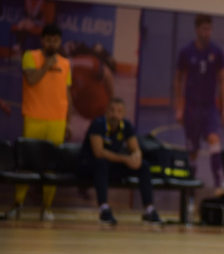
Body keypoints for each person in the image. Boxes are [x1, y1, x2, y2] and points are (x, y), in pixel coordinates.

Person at [8, 24, 71, 221]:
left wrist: (68, 121)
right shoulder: (30, 56)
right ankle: (18, 204)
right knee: (26, 164)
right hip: (34, 117)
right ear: (42, 40)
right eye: (49, 39)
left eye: (56, 40)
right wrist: (47, 65)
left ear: (60, 42)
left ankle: (47, 208)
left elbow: (66, 93)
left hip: (57, 121)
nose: (52, 43)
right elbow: (32, 79)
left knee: (51, 166)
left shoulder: (66, 64)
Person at [78, 98, 162, 225]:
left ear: (123, 114)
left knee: (143, 166)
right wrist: (126, 159)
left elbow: (135, 149)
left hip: (112, 167)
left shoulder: (126, 125)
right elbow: (99, 152)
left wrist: (136, 157)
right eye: (112, 110)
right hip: (89, 167)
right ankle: (104, 209)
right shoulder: (98, 124)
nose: (115, 114)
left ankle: (149, 210)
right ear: (106, 112)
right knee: (102, 162)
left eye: (119, 111)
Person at [174, 14, 224, 193]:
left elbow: (223, 80)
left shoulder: (217, 52)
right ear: (197, 30)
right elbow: (178, 80)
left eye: (209, 29)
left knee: (214, 139)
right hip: (191, 105)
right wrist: (179, 108)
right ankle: (190, 184)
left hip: (209, 105)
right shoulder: (186, 52)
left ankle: (219, 183)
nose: (207, 33)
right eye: (204, 29)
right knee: (193, 150)